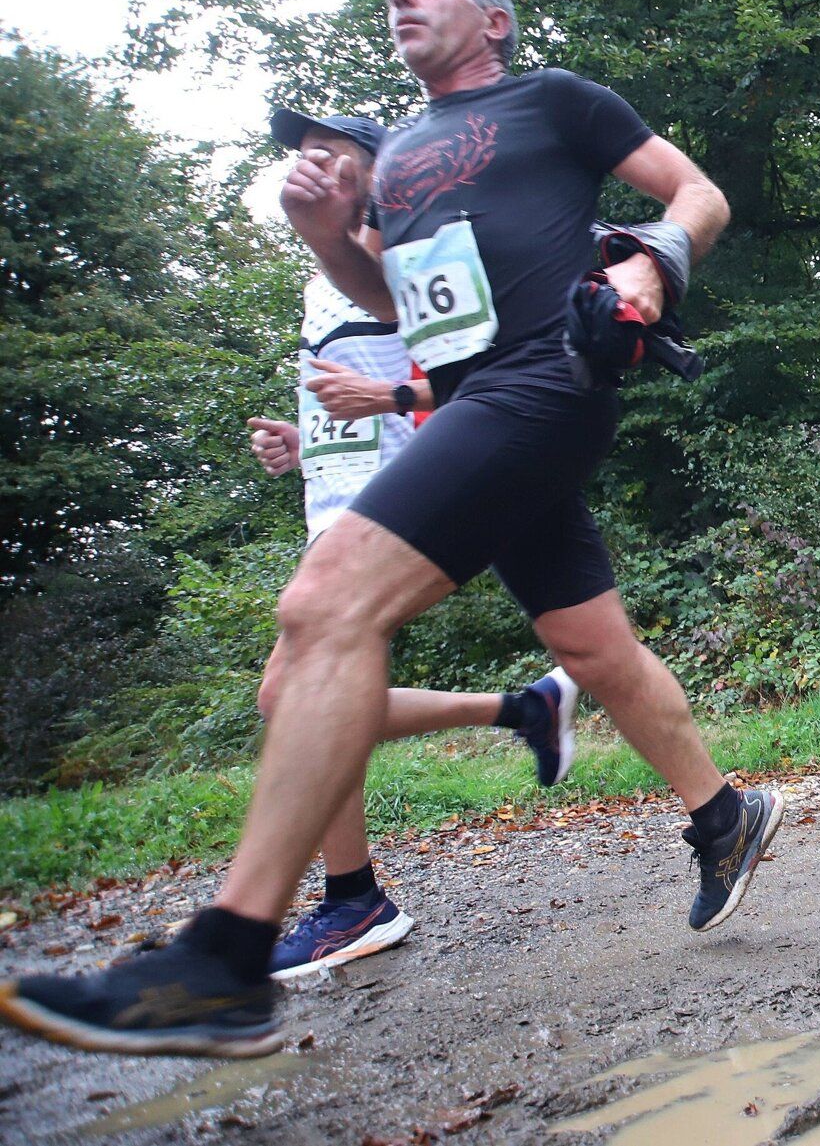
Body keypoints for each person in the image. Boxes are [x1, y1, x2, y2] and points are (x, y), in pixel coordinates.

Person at [0, 0, 782, 1059]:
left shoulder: (553, 100)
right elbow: (394, 299)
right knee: (592, 647)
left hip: (545, 380)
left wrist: (654, 259)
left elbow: (697, 192)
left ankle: (223, 961)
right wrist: (326, 232)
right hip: (472, 403)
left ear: (494, 19)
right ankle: (725, 815)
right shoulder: (398, 153)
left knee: (324, 609)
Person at [244, 108, 588, 980]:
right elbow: (348, 397)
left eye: (332, 150)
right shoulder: (324, 278)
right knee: (292, 697)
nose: (311, 162)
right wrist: (301, 440)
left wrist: (393, 402)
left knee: (297, 692)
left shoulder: (410, 254)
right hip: (336, 500)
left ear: (378, 172)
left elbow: (488, 374)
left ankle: (350, 897)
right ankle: (522, 711)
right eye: (301, 152)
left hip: (410, 501)